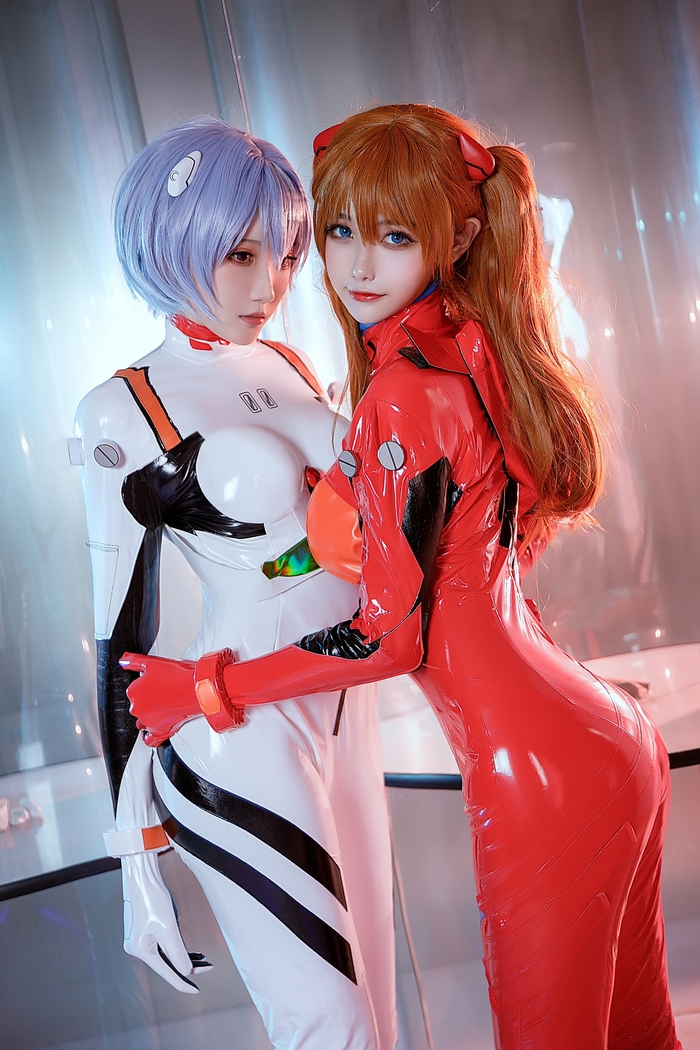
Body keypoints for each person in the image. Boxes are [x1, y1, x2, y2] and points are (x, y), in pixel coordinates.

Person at [124, 105, 680, 1049]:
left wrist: (208, 686)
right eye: (340, 231)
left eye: (393, 236)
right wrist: (292, 551)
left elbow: (389, 637)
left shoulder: (404, 394)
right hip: (604, 738)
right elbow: (441, 549)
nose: (355, 264)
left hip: (535, 770)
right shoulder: (470, 350)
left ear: (455, 237)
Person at [75, 116, 396, 1050]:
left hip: (345, 700)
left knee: (379, 1007)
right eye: (242, 255)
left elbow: (335, 543)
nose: (272, 286)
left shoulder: (290, 364)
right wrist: (136, 853)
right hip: (238, 727)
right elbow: (120, 637)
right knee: (330, 1025)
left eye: (288, 255)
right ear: (173, 242)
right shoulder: (123, 409)